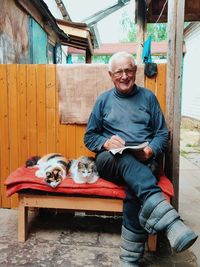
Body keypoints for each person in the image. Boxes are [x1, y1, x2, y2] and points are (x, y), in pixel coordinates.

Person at [84, 51, 198, 266]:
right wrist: (106, 143)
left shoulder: (148, 98)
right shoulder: (103, 100)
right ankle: (171, 222)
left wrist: (149, 151)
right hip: (111, 161)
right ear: (111, 75)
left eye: (129, 70)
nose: (124, 76)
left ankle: (129, 259)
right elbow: (89, 137)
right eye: (119, 72)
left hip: (145, 161)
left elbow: (162, 133)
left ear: (135, 71)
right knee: (125, 159)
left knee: (136, 183)